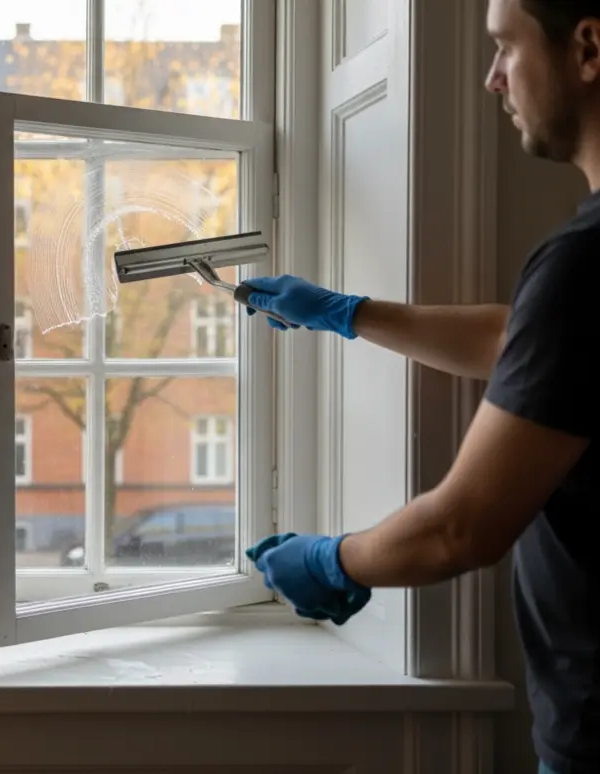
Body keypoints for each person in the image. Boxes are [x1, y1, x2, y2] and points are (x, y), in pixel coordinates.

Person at [241, 1, 600, 772]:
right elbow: (527, 345)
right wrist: (348, 314)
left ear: (589, 48)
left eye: (505, 46)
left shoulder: (585, 267)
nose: (491, 78)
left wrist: (335, 560)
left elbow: (461, 528)